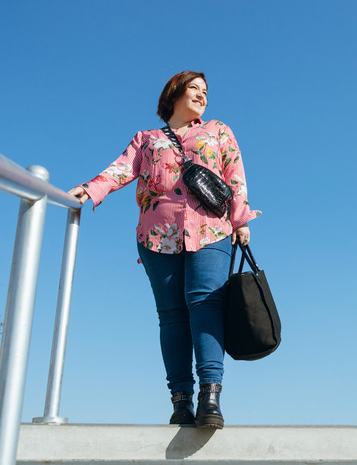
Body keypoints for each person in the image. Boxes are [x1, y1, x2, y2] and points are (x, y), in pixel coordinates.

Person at [69, 71, 261, 428]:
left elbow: (234, 174)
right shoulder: (147, 139)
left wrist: (240, 220)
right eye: (195, 89)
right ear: (175, 93)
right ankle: (181, 401)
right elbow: (121, 169)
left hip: (210, 229)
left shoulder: (218, 130)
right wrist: (91, 189)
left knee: (206, 304)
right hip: (157, 235)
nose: (203, 96)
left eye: (206, 92)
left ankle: (210, 398)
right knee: (172, 314)